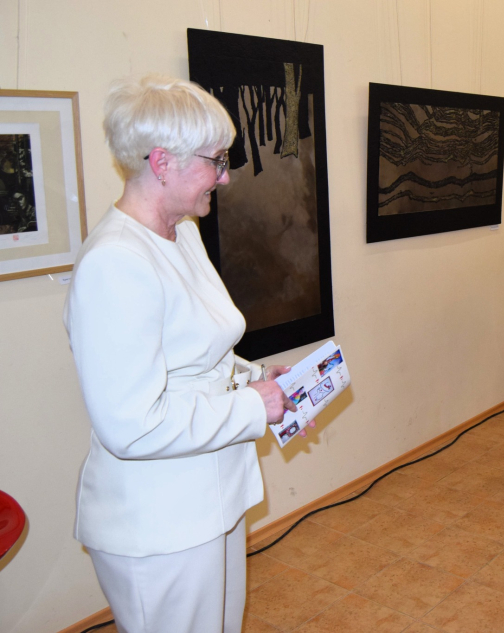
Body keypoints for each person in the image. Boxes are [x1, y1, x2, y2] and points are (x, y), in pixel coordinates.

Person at [63, 74, 297, 633]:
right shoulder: (115, 263)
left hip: (209, 497)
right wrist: (253, 406)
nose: (226, 175)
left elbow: (200, 352)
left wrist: (260, 378)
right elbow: (132, 423)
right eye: (217, 161)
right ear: (162, 162)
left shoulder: (182, 233)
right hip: (158, 520)